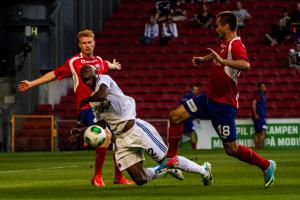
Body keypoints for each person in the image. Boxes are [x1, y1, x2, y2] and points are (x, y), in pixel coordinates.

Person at [165, 11, 276, 189]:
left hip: (224, 106)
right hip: (208, 99)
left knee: (231, 149)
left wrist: (222, 61)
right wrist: (204, 59)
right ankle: (170, 161)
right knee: (175, 116)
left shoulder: (236, 44)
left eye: (218, 25)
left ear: (226, 26)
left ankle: (266, 165)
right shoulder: (224, 43)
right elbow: (218, 54)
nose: (215, 28)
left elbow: (246, 64)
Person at [17, 29, 133, 187]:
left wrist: (114, 66)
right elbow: (54, 74)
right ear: (79, 45)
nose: (87, 46)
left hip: (105, 109)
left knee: (120, 140)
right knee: (106, 136)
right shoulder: (74, 62)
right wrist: (31, 83)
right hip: (87, 108)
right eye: (84, 43)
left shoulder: (99, 61)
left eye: (89, 42)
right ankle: (97, 176)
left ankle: (119, 177)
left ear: (94, 43)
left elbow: (106, 65)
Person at [78, 65, 213, 186]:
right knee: (140, 179)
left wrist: (85, 99)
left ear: (95, 74)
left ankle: (203, 169)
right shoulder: (93, 101)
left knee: (168, 159)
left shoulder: (104, 80)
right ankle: (164, 169)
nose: (88, 80)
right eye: (85, 79)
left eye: (90, 77)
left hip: (136, 130)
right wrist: (84, 131)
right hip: (122, 140)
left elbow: (102, 95)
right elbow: (102, 123)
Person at [181, 85, 200, 150]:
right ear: (191, 90)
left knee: (192, 132)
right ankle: (175, 148)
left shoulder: (196, 97)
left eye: (197, 90)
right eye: (195, 89)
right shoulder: (187, 96)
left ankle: (194, 148)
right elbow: (184, 105)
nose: (196, 91)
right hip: (185, 118)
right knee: (181, 133)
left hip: (189, 119)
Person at [252, 82, 267, 149]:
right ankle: (259, 146)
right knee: (261, 131)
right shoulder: (258, 95)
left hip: (262, 116)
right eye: (262, 86)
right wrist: (255, 114)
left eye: (264, 86)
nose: (264, 88)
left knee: (259, 131)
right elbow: (253, 103)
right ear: (259, 88)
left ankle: (258, 146)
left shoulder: (263, 95)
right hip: (259, 116)